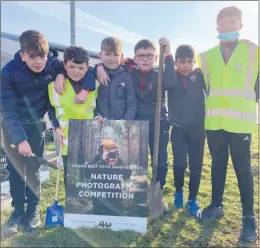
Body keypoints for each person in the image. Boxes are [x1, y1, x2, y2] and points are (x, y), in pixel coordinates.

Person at [0, 30, 95, 234]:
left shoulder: (53, 64)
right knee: (16, 170)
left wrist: (63, 75)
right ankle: (17, 212)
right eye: (32, 57)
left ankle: (33, 212)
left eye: (42, 56)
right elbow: (7, 109)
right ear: (23, 54)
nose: (38, 62)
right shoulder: (8, 72)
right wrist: (20, 139)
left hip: (37, 125)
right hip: (13, 126)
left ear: (47, 54)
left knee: (33, 169)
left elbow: (88, 69)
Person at [197, 6, 259, 242]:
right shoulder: (206, 56)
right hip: (215, 123)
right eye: (222, 23)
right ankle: (216, 205)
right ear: (216, 27)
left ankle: (248, 219)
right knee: (218, 165)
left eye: (232, 22)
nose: (227, 27)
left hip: (241, 124)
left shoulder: (254, 52)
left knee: (243, 169)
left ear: (240, 26)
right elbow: (197, 82)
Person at [96, 38, 176, 213]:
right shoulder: (129, 70)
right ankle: (136, 196)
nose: (145, 59)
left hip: (158, 122)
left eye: (149, 56)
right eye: (141, 56)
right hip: (136, 124)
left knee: (160, 162)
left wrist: (168, 52)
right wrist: (98, 67)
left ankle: (157, 196)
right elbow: (111, 64)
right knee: (136, 163)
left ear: (155, 58)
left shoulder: (160, 73)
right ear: (135, 58)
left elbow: (171, 82)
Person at [164, 44, 206, 219]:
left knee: (196, 167)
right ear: (176, 63)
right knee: (180, 164)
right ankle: (179, 192)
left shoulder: (200, 76)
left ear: (194, 62)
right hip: (179, 130)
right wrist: (167, 53)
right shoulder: (171, 78)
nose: (186, 65)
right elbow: (168, 80)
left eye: (190, 61)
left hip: (197, 130)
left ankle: (193, 199)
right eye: (181, 62)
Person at [48, 45, 99, 187]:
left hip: (89, 138)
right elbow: (51, 110)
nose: (76, 71)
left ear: (87, 67)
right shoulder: (53, 86)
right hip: (66, 139)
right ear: (64, 65)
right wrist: (56, 127)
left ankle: (89, 204)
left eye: (81, 68)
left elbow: (100, 106)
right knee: (70, 175)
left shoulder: (95, 84)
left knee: (89, 174)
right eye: (72, 67)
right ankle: (72, 206)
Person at [85, 139, 132, 216]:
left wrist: (117, 164)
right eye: (110, 151)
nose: (112, 154)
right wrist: (102, 161)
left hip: (115, 199)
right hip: (99, 200)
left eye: (114, 151)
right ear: (103, 151)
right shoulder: (96, 159)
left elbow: (127, 175)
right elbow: (88, 173)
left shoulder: (117, 159)